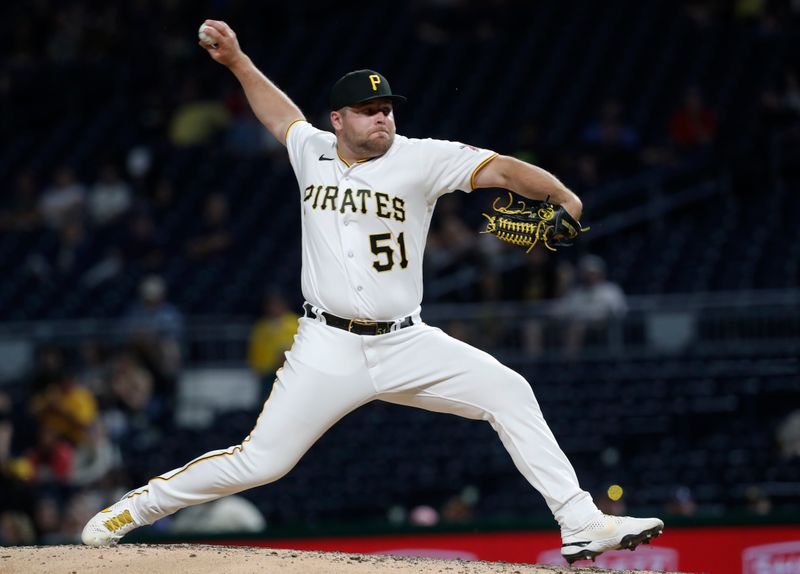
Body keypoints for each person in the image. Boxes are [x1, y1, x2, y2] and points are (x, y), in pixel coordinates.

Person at [82, 20, 663, 564]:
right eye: (367, 111)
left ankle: (580, 520)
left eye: (386, 109)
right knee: (263, 461)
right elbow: (278, 114)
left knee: (509, 391)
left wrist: (563, 197)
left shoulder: (421, 158)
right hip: (326, 346)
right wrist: (236, 61)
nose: (382, 119)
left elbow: (505, 170)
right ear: (338, 120)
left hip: (407, 343)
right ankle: (135, 508)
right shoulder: (310, 151)